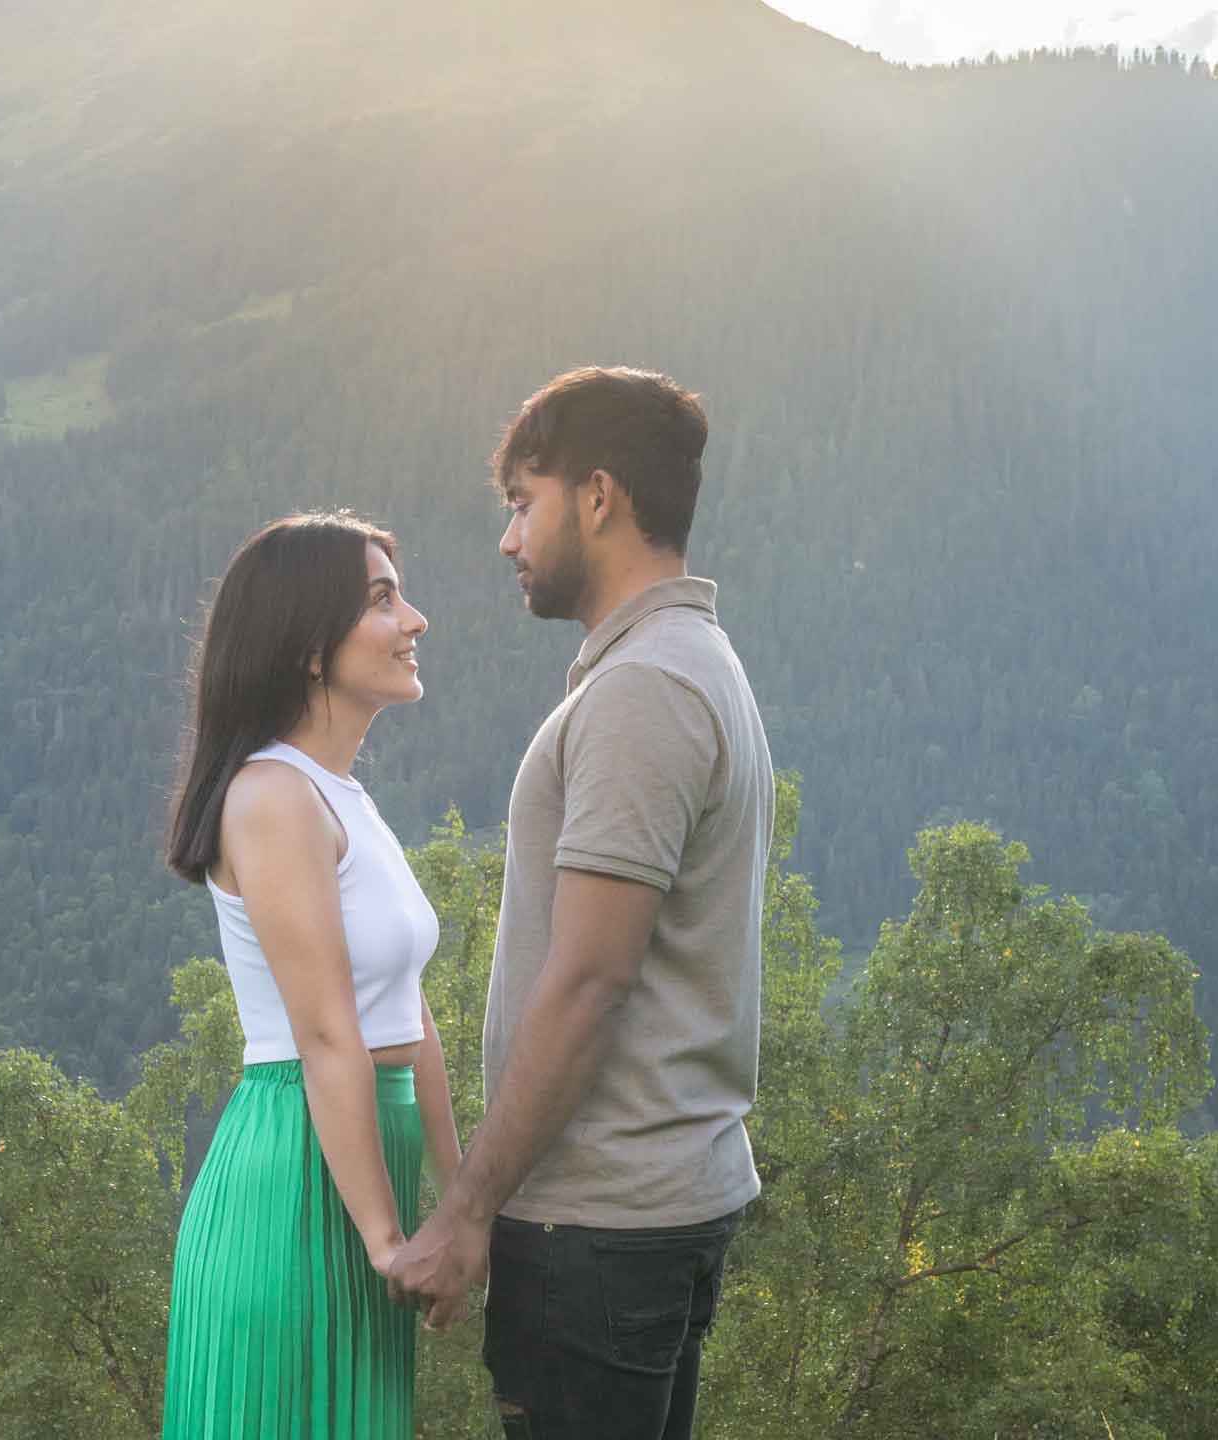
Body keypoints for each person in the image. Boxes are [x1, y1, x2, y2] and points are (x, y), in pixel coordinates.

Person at [387, 367, 775, 1439]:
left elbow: (592, 978)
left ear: (598, 498)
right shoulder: (682, 663)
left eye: (524, 502)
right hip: (638, 1216)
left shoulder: (646, 688)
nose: (510, 539)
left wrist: (467, 1211)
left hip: (596, 1230)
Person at [162, 511, 462, 1439]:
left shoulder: (343, 798)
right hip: (296, 1185)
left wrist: (463, 1207)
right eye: (382, 600)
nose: (415, 620)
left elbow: (408, 1022)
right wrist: (385, 1236)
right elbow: (328, 1034)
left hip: (363, 1169)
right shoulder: (270, 797)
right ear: (306, 648)